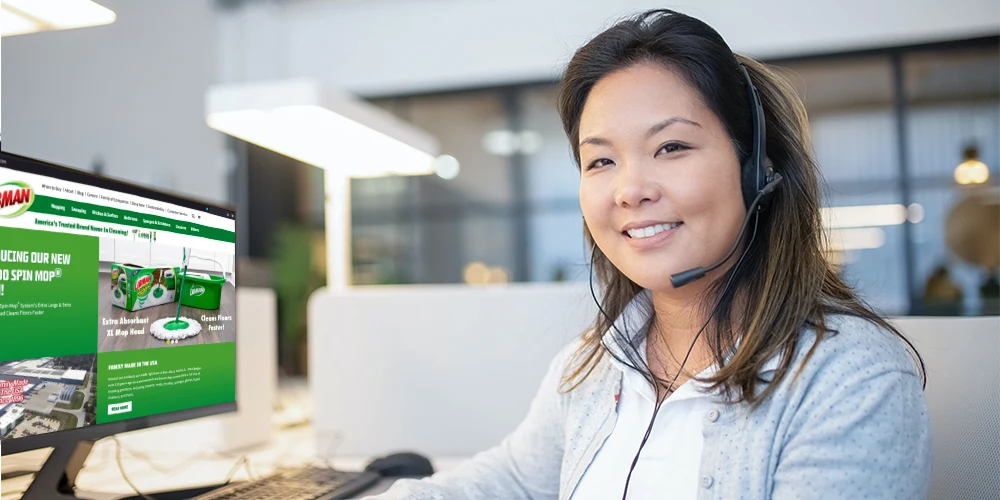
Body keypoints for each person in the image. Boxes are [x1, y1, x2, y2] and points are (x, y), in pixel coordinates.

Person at [363, 9, 930, 500]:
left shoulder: (850, 379)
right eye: (601, 161)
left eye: (672, 147)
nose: (629, 189)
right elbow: (509, 480)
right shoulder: (594, 364)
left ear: (758, 167)